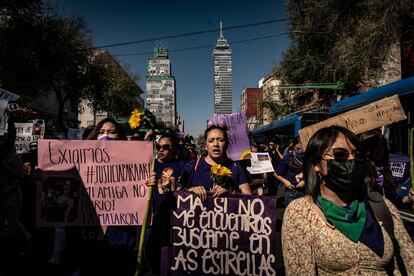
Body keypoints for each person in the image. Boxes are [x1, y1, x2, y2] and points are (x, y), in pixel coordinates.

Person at [282, 126, 414, 275]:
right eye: (340, 154)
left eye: (357, 155)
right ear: (316, 164)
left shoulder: (382, 205)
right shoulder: (300, 213)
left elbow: (409, 260)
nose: (351, 160)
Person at [145, 133, 186, 275]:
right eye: (158, 147)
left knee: (170, 252)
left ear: (173, 149)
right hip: (151, 218)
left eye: (165, 147)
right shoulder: (150, 165)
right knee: (150, 251)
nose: (161, 150)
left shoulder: (181, 166)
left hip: (172, 218)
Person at [182, 124, 251, 200]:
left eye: (220, 140)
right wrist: (191, 191)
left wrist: (232, 192)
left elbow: (248, 197)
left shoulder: (235, 167)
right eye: (211, 141)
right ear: (205, 146)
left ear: (226, 145)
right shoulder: (192, 166)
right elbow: (179, 193)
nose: (215, 144)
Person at [274, 137, 305, 206]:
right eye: (298, 148)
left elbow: (314, 172)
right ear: (294, 146)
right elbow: (276, 174)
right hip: (291, 192)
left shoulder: (308, 158)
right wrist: (285, 181)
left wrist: (304, 181)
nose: (301, 150)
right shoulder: (288, 157)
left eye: (302, 147)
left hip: (305, 192)